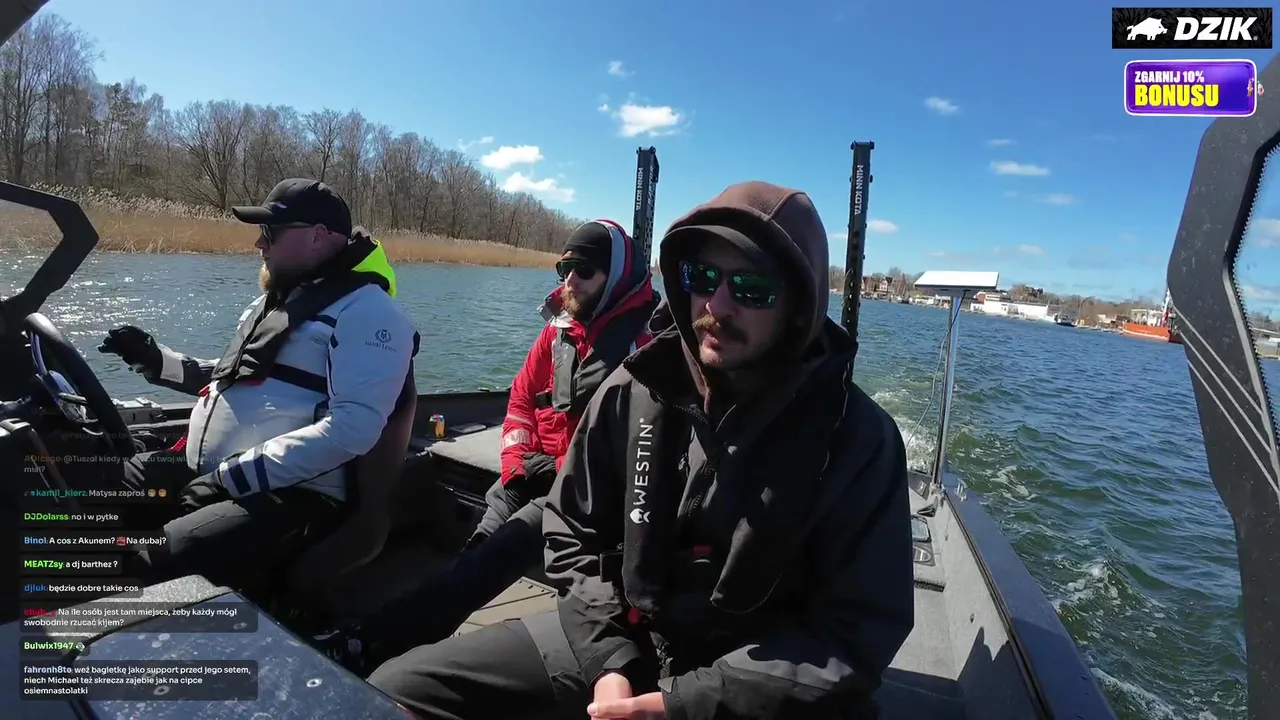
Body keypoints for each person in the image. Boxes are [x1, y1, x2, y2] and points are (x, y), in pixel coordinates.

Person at [365, 180, 914, 720]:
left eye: (752, 288)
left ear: (798, 305)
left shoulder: (859, 442)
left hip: (756, 687)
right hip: (623, 636)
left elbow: (854, 634)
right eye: (703, 277)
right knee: (396, 691)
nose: (717, 304)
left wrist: (680, 706)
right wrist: (610, 664)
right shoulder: (635, 390)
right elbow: (572, 529)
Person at [315, 218, 659, 671]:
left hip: (586, 494)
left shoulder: (648, 349)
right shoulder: (558, 331)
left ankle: (368, 642)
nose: (570, 281)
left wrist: (562, 470)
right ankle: (398, 638)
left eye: (585, 270)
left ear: (615, 277)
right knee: (474, 554)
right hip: (530, 471)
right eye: (564, 269)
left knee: (491, 556)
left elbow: (639, 450)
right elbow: (520, 400)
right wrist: (517, 464)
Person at [97, 178, 419, 591]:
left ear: (317, 236)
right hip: (210, 471)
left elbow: (352, 428)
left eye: (270, 231)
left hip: (291, 494)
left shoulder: (370, 313)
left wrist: (228, 480)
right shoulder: (276, 301)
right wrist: (158, 361)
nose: (259, 243)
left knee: (153, 562)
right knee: (100, 489)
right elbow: (232, 374)